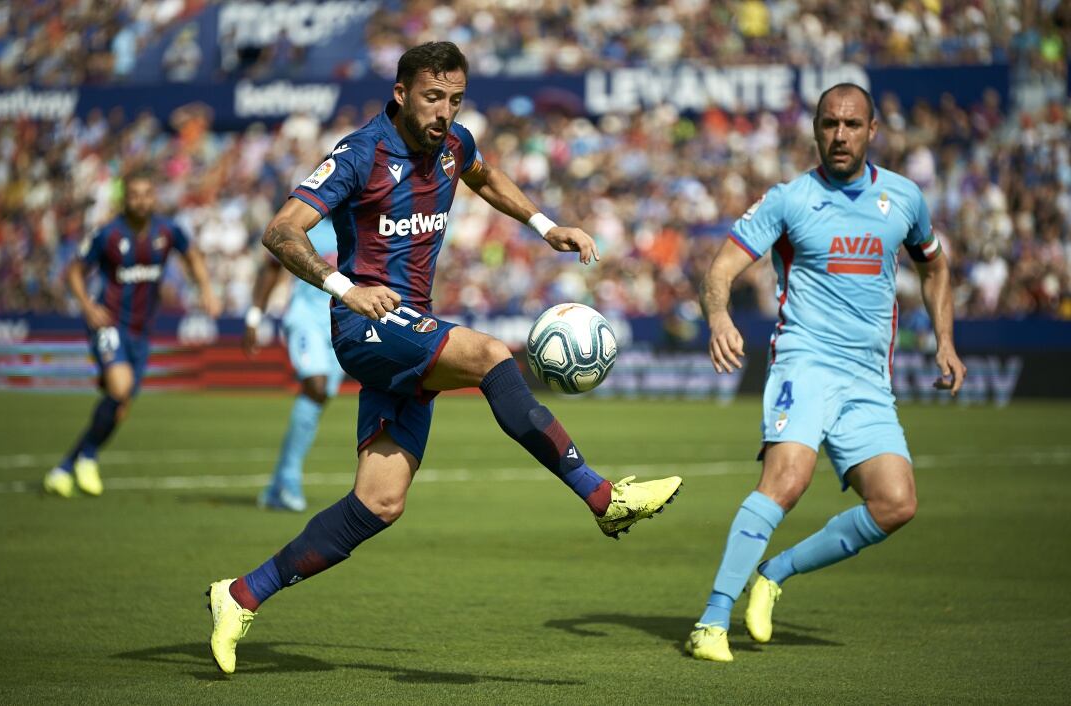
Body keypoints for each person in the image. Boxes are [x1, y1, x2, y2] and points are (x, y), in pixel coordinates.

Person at [206, 41, 683, 674]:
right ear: (401, 92)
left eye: (455, 99)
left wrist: (546, 227)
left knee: (378, 504)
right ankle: (602, 497)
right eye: (434, 97)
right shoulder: (359, 154)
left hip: (408, 329)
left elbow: (482, 175)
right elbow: (280, 230)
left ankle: (240, 595)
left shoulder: (455, 144)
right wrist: (346, 287)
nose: (445, 112)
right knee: (489, 354)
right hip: (365, 325)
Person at [686, 83, 967, 663]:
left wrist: (945, 340)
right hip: (804, 361)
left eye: (852, 125)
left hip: (868, 379)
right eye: (829, 124)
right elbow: (722, 267)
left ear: (872, 131)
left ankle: (774, 573)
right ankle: (711, 620)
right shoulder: (790, 200)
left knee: (896, 503)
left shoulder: (905, 199)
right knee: (786, 481)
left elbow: (935, 268)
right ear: (815, 129)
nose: (840, 135)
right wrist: (718, 317)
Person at [44, 168, 220, 498]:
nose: (141, 201)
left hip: (142, 330)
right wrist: (86, 305)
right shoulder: (108, 234)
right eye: (134, 195)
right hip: (110, 322)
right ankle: (89, 458)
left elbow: (193, 255)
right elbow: (75, 271)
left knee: (119, 406)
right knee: (120, 387)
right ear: (125, 199)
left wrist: (207, 290)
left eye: (146, 194)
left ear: (154, 197)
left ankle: (67, 466)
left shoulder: (167, 231)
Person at [243, 217, 344, 512]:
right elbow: (272, 266)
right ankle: (288, 480)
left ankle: (278, 484)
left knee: (320, 396)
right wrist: (254, 317)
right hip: (306, 318)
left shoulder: (363, 222)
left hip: (340, 325)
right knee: (316, 385)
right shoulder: (307, 223)